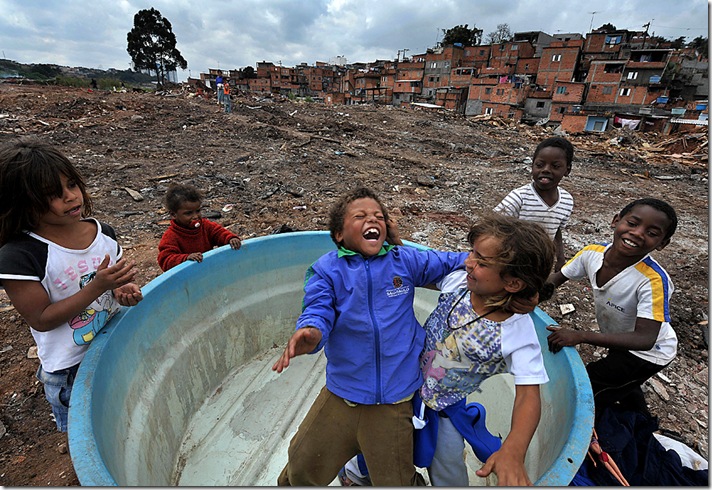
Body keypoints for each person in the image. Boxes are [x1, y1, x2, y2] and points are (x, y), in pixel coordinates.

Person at [271, 187, 469, 486]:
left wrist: (492, 262)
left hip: (395, 400)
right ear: (339, 234)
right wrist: (311, 333)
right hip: (342, 394)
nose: (372, 219)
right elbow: (317, 309)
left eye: (378, 216)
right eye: (360, 216)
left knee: (395, 481)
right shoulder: (327, 270)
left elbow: (454, 261)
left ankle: (359, 473)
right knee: (301, 468)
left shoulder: (404, 261)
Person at [0, 137, 143, 434]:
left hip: (113, 342)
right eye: (53, 193)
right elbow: (40, 319)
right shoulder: (21, 256)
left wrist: (122, 290)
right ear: (22, 202)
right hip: (71, 369)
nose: (70, 197)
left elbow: (117, 281)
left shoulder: (102, 233)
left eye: (72, 185)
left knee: (121, 417)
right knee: (87, 432)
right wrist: (96, 287)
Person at [415, 213, 554, 486]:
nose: (468, 263)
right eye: (472, 253)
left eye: (481, 261)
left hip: (445, 406)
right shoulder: (458, 284)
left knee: (447, 468)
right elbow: (412, 272)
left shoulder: (517, 333)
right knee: (377, 445)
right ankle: (358, 475)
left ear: (513, 283)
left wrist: (513, 451)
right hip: (402, 386)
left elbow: (528, 396)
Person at [542, 198, 678, 422]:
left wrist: (581, 336)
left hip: (647, 353)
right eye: (632, 223)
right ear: (616, 220)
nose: (637, 233)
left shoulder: (652, 280)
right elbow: (555, 280)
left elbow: (645, 339)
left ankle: (582, 428)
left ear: (663, 243)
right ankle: (641, 418)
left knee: (590, 386)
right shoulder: (591, 254)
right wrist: (526, 297)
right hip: (620, 338)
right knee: (623, 384)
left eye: (652, 233)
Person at [493, 136, 574, 272]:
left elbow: (556, 229)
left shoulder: (567, 200)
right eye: (540, 165)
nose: (546, 170)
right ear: (532, 166)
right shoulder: (520, 197)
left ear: (567, 170)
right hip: (513, 260)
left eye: (555, 166)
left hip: (541, 261)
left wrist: (560, 258)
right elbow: (493, 224)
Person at [157, 183, 241, 272]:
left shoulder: (204, 225)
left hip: (206, 270)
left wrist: (230, 239)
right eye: (188, 213)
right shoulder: (171, 236)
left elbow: (218, 233)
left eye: (198, 211)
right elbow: (165, 260)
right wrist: (185, 259)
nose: (195, 216)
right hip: (186, 277)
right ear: (173, 214)